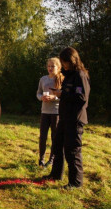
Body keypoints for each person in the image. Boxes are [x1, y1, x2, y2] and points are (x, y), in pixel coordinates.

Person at [43, 47, 90, 189]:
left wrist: (62, 94)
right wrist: (60, 92)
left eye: (65, 62)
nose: (63, 65)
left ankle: (75, 182)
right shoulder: (69, 74)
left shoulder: (80, 75)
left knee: (72, 151)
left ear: (72, 60)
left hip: (75, 120)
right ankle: (56, 174)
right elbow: (69, 93)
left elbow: (82, 98)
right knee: (57, 146)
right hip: (64, 118)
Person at [36, 58, 64, 167]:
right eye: (49, 66)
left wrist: (54, 97)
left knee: (54, 137)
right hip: (44, 112)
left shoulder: (62, 79)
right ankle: (41, 159)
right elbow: (38, 93)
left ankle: (51, 160)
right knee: (42, 136)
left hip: (56, 112)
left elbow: (64, 97)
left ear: (58, 67)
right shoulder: (43, 79)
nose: (50, 68)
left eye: (53, 66)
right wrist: (41, 97)